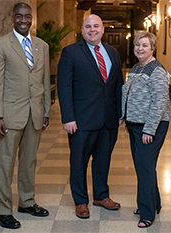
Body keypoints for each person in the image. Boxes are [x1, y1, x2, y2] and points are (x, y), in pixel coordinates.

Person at [0, 3, 51, 229]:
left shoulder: (41, 46)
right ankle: (2, 211)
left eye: (27, 16)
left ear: (32, 18)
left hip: (34, 114)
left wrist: (45, 111)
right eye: (19, 16)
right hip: (9, 115)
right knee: (5, 164)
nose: (23, 20)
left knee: (29, 162)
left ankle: (26, 202)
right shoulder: (1, 45)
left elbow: (44, 81)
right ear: (12, 18)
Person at [57, 14, 124, 219]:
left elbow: (118, 84)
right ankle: (80, 200)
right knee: (79, 161)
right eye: (88, 26)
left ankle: (101, 195)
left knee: (103, 159)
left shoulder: (112, 52)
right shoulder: (70, 53)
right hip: (82, 119)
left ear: (103, 29)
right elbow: (64, 87)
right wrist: (68, 117)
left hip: (109, 118)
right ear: (82, 29)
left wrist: (121, 112)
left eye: (96, 26)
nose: (92, 30)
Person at [121, 32, 170, 228]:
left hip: (150, 127)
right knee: (145, 167)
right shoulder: (136, 67)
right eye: (137, 45)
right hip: (135, 125)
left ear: (153, 49)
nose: (139, 48)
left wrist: (149, 130)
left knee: (144, 168)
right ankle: (154, 203)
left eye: (144, 45)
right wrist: (123, 115)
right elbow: (128, 93)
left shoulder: (156, 70)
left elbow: (160, 102)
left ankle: (147, 213)